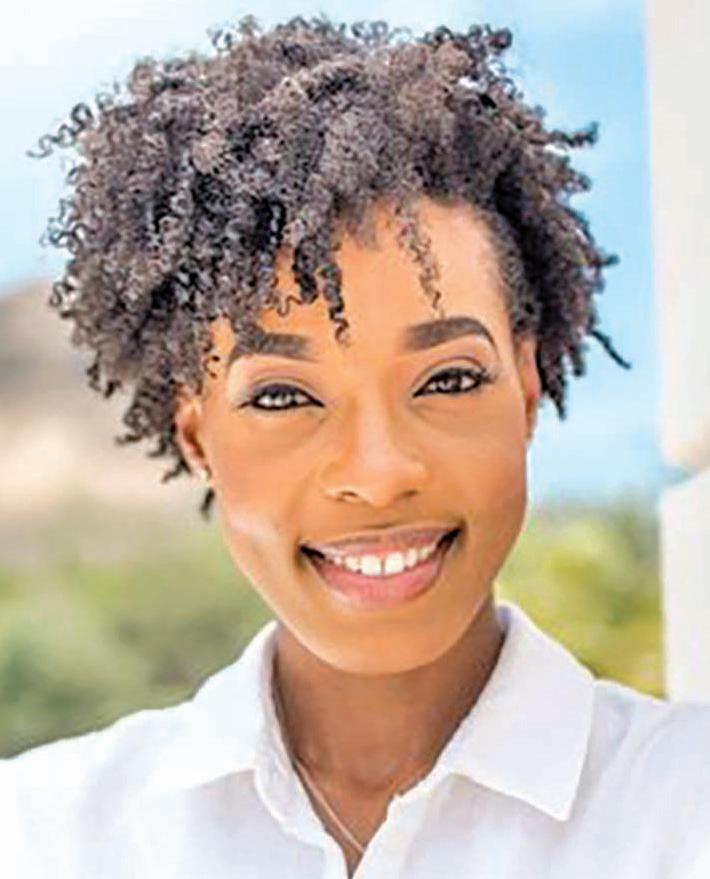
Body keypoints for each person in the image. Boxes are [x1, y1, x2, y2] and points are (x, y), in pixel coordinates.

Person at [5, 13, 710, 879]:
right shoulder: (41, 836)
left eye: (447, 379)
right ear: (197, 436)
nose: (378, 475)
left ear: (525, 392)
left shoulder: (686, 809)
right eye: (282, 396)